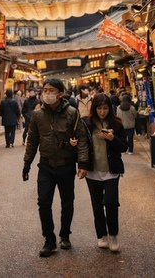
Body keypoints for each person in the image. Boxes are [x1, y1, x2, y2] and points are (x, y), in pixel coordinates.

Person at [22, 78, 89, 257]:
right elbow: (32, 141)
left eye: (51, 90)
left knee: (67, 202)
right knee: (43, 202)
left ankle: (65, 235)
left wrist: (82, 163)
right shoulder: (37, 115)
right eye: (45, 90)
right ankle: (49, 239)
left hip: (66, 166)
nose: (46, 93)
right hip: (46, 166)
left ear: (60, 93)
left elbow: (81, 139)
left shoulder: (72, 113)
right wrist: (27, 163)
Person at [86, 93, 128, 252]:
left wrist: (112, 138)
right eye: (99, 108)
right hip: (93, 171)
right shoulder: (87, 124)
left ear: (110, 109)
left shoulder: (116, 124)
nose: (102, 112)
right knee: (97, 205)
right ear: (94, 108)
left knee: (110, 203)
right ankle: (101, 235)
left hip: (111, 170)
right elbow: (83, 145)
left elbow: (124, 146)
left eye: (105, 108)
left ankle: (113, 235)